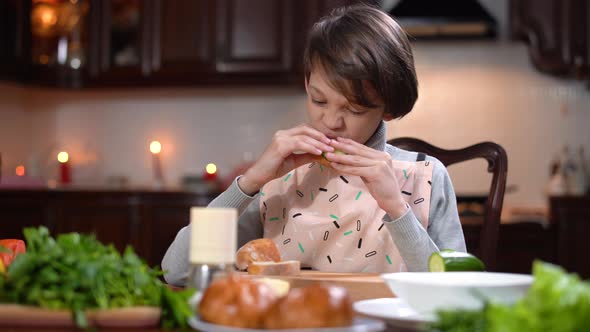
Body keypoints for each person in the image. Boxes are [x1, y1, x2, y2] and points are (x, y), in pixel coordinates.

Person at [162, 4, 465, 286]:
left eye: (355, 109)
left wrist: (397, 208)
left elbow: (457, 297)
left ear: (387, 106)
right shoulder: (277, 182)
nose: (331, 121)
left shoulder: (426, 176)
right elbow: (176, 271)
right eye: (319, 100)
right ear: (307, 83)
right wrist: (251, 182)